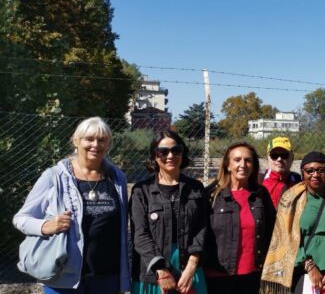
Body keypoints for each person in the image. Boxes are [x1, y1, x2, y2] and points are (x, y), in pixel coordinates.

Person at [13, 117, 130, 293]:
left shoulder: (117, 178)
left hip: (106, 277)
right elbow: (21, 218)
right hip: (64, 277)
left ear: (108, 144)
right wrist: (45, 226)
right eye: (89, 139)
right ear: (76, 141)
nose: (95, 145)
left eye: (101, 140)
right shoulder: (54, 176)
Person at [260, 151, 325, 294]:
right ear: (302, 173)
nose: (315, 175)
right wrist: (310, 266)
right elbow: (285, 238)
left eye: (321, 170)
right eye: (310, 171)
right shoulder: (290, 199)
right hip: (300, 273)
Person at [130, 130, 209, 294]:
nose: (170, 155)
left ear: (183, 153)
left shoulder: (196, 188)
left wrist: (192, 266)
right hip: (153, 269)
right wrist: (161, 269)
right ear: (154, 156)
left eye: (176, 150)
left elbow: (203, 228)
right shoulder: (141, 190)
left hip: (189, 268)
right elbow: (140, 234)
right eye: (163, 151)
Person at [204, 142, 276, 294]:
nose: (243, 164)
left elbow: (271, 231)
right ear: (227, 165)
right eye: (237, 160)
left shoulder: (261, 195)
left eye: (248, 160)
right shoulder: (211, 195)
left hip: (252, 276)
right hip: (218, 277)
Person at [261, 137, 302, 206]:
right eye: (274, 155)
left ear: (292, 157)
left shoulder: (299, 181)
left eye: (284, 155)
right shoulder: (259, 181)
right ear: (267, 158)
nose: (279, 159)